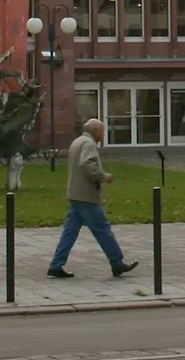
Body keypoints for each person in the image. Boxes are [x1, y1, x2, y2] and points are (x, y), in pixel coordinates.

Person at [47, 118, 138, 278]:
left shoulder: (77, 141)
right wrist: (103, 177)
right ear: (95, 131)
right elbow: (86, 164)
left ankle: (56, 264)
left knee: (69, 232)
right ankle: (117, 262)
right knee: (103, 230)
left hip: (75, 194)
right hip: (87, 196)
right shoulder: (89, 144)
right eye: (102, 131)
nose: (103, 135)